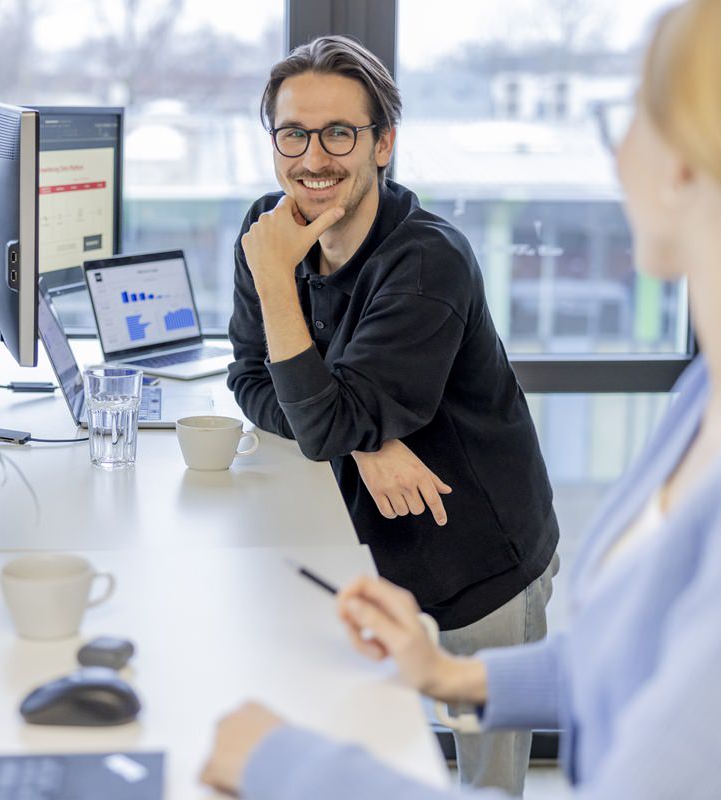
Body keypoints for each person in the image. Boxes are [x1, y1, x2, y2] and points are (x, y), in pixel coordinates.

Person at [201, 0, 721, 797]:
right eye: (293, 134)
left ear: (696, 161)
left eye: (635, 119)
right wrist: (456, 677)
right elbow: (639, 653)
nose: (617, 161)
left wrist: (284, 765)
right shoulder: (718, 387)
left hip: (476, 558)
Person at [226, 35, 560, 794]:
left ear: (383, 145)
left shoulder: (425, 261)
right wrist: (361, 441)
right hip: (367, 552)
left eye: (341, 133)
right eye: (293, 133)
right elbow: (247, 377)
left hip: (478, 560)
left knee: (486, 777)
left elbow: (321, 420)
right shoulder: (267, 228)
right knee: (374, 741)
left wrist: (281, 291)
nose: (314, 157)